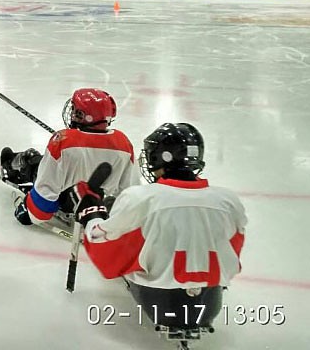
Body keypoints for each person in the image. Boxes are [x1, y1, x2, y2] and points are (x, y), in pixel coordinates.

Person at [74, 123, 247, 331]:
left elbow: (106, 254)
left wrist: (91, 213)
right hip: (210, 303)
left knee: (121, 222)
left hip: (159, 299)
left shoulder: (139, 198)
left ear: (161, 158)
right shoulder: (229, 200)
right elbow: (233, 249)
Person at [0, 88, 136, 227]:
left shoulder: (63, 142)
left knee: (33, 159)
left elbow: (46, 190)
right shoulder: (124, 144)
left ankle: (10, 165)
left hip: (68, 203)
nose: (72, 114)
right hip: (99, 206)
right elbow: (130, 193)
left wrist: (29, 213)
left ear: (84, 116)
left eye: (75, 111)